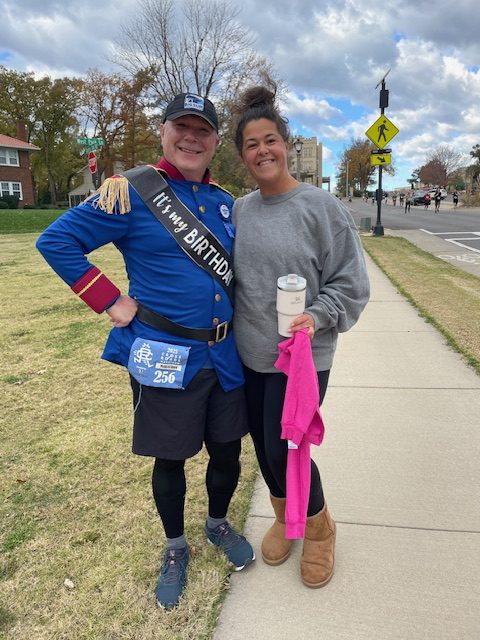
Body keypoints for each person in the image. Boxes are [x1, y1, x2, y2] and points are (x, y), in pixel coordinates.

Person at [36, 93, 254, 610]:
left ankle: (218, 524)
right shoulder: (128, 193)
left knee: (227, 450)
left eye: (203, 131)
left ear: (216, 142)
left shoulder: (224, 202)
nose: (191, 138)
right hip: (165, 353)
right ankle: (176, 547)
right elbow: (56, 242)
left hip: (225, 354)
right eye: (182, 127)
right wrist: (110, 300)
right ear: (163, 132)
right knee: (171, 456)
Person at [231, 85, 370, 588]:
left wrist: (318, 314)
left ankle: (319, 529)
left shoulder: (321, 207)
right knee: (265, 452)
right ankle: (285, 518)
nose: (262, 150)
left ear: (286, 144)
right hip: (249, 354)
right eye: (251, 144)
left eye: (271, 139)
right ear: (242, 155)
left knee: (288, 446)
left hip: (303, 358)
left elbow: (352, 284)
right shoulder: (240, 211)